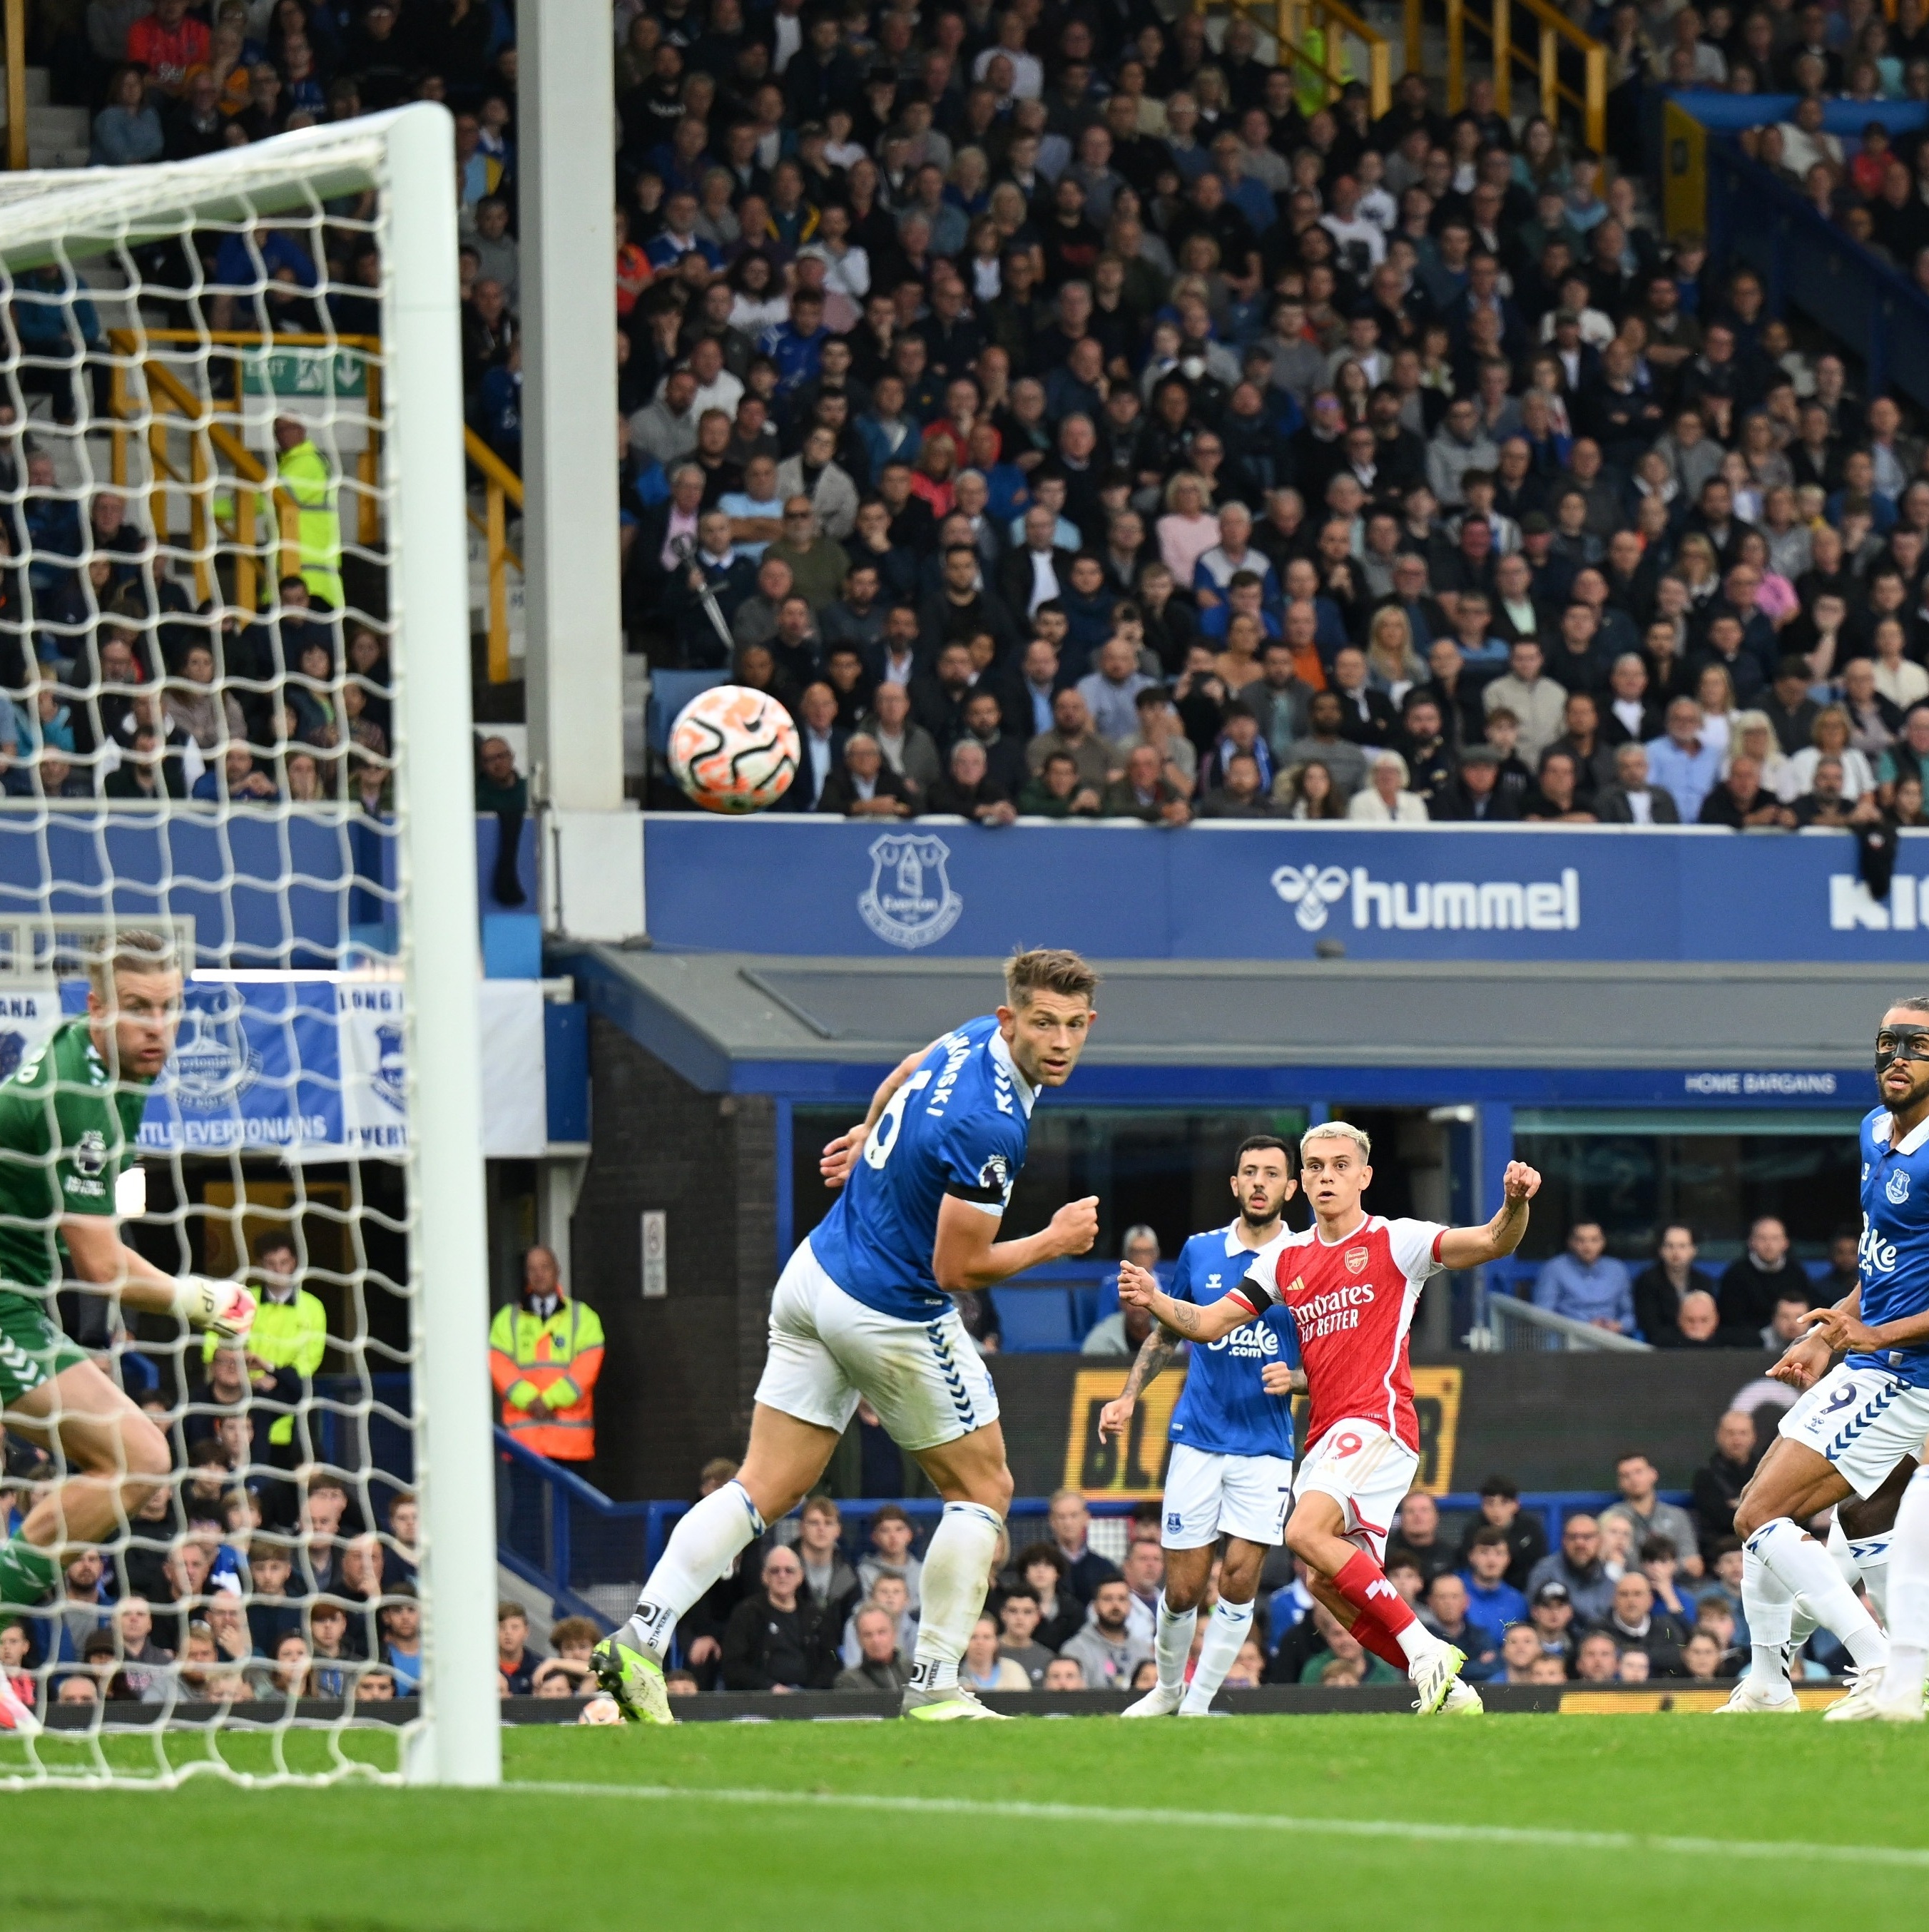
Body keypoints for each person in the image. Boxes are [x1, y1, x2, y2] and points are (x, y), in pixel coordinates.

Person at [596, 950, 1104, 1724]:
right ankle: (935, 1684)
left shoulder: (972, 1035)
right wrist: (1054, 1238)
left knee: (766, 1483)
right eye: (1043, 1022)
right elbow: (959, 1265)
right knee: (984, 1487)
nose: (1059, 1040)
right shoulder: (991, 1121)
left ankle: (640, 1635)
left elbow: (904, 1067)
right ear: (1012, 1018)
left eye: (1073, 1025)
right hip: (888, 1307)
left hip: (814, 1273)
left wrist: (868, 1130)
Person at [1118, 1123, 1543, 1715]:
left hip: (1377, 1422)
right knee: (1322, 1580)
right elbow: (1211, 1323)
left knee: (1302, 1533)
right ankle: (1447, 1689)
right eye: (1314, 1165)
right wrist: (1156, 1298)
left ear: (1364, 1176)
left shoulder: (1398, 1241)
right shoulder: (1285, 1258)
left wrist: (1515, 1204)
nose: (1325, 1176)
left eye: (1339, 1165)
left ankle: (1427, 1651)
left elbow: (1495, 1241)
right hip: (1324, 1437)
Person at [0, 933, 257, 1738]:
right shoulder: (77, 1090)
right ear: (96, 1007)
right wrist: (203, 1296)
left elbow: (107, 1218)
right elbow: (104, 1263)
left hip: (22, 1300)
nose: (159, 1026)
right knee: (140, 1457)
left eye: (170, 1008)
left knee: (126, 1461)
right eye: (139, 1008)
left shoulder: (122, 1078)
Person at [1736, 997, 1929, 1719]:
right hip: (1872, 1361)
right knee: (1859, 1517)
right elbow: (1883, 1267)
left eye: (1915, 1043)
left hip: (1909, 1374)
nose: (1897, 1057)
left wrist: (1876, 1336)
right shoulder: (1874, 1131)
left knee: (1762, 1511)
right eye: (1886, 1042)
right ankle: (1767, 1681)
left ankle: (1880, 1664)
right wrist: (1828, 1331)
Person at [1097, 1137, 1306, 1719]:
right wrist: (1129, 1395)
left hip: (1265, 1447)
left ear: (1291, 1189)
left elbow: (1335, 1358)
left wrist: (1297, 1379)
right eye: (1249, 1172)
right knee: (1185, 1589)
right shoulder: (1199, 1251)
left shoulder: (1309, 1259)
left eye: (1272, 1174)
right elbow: (1168, 1331)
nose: (1260, 1182)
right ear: (1235, 1185)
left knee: (1239, 1582)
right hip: (1198, 1439)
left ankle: (1198, 1704)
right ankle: (1167, 1689)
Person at [488, 1246, 604, 1465]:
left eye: (545, 1267)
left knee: (571, 1500)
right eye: (532, 1269)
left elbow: (586, 1369)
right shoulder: (506, 1320)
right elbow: (499, 1365)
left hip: (569, 1445)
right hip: (524, 1444)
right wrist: (530, 1400)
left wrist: (548, 1400)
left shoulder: (584, 1318)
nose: (539, 1274)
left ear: (557, 1270)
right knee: (526, 1500)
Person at [1531, 1222, 1634, 1333]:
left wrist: (1619, 1326)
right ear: (1570, 1242)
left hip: (1609, 1339)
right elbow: (1542, 1315)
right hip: (1569, 1338)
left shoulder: (1617, 1269)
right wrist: (1584, 1327)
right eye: (1581, 1240)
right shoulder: (1554, 1269)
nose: (1587, 1247)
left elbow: (1629, 1315)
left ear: (1603, 1242)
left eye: (1594, 1240)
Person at [1059, 1577, 1152, 1689]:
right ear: (1094, 1606)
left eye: (1122, 1599)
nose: (1115, 1606)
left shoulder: (1143, 1650)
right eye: (1108, 1599)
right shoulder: (1075, 1650)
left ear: (1130, 1605)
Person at [1631, 1223, 1718, 1343]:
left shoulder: (1704, 1282)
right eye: (1670, 1246)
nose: (1676, 1252)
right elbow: (1651, 1327)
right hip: (1663, 1349)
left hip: (1702, 1346)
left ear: (1693, 1250)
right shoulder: (1647, 1281)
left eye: (1682, 1246)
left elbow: (1711, 1321)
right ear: (1661, 1250)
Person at [834, 1603, 912, 1692]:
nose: (876, 1640)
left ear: (894, 1633)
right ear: (859, 1640)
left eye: (882, 1632)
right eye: (868, 1635)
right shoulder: (849, 1681)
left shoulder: (914, 1672)